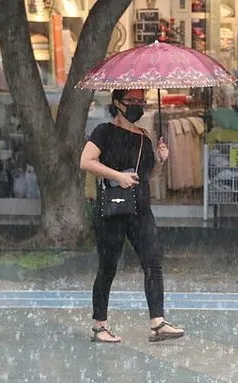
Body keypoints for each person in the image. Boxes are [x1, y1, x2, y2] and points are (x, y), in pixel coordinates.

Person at [79, 88, 184, 343]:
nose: (138, 105)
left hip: (140, 208)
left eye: (141, 100)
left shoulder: (144, 137)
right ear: (117, 103)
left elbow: (148, 176)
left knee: (153, 261)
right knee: (108, 267)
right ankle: (99, 325)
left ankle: (158, 322)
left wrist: (160, 159)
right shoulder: (103, 132)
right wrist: (118, 176)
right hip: (113, 208)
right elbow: (86, 161)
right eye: (132, 101)